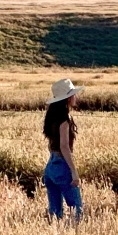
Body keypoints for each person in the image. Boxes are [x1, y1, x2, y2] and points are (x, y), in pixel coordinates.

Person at [42, 78, 82, 223]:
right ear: (68, 98)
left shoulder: (51, 117)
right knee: (76, 209)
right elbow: (64, 146)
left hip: (50, 167)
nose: (76, 97)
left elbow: (51, 145)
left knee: (55, 213)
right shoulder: (65, 119)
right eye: (73, 94)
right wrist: (73, 171)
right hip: (62, 166)